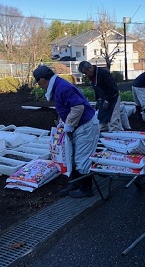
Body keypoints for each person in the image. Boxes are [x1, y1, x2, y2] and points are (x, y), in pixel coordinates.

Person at [33, 65, 99, 197]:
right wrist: (63, 123)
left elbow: (78, 107)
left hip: (86, 126)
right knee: (71, 156)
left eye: (38, 83)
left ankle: (86, 189)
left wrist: (68, 124)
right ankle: (75, 183)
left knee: (81, 159)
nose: (39, 86)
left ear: (42, 80)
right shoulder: (58, 86)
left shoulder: (62, 87)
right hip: (78, 126)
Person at [78, 61, 122, 132]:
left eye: (86, 73)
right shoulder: (92, 76)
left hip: (113, 97)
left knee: (113, 120)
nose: (86, 75)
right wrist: (98, 100)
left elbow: (112, 88)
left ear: (90, 68)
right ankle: (103, 136)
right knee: (102, 120)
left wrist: (107, 101)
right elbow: (97, 89)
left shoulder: (103, 73)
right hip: (103, 98)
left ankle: (116, 137)